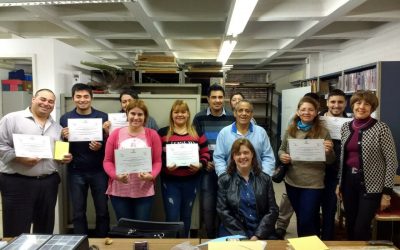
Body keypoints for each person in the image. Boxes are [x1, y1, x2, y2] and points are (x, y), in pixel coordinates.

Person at [0, 89, 72, 237]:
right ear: (33, 99)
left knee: (44, 228)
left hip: (48, 183)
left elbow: (57, 156)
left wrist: (64, 159)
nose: (46, 104)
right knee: (17, 229)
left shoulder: (57, 127)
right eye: (43, 99)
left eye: (51, 101)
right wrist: (18, 157)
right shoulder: (12, 119)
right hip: (17, 182)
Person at [336, 90, 398, 240]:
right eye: (358, 102)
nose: (361, 107)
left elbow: (392, 161)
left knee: (361, 228)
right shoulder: (345, 127)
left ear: (372, 107)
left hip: (372, 187)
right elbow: (343, 157)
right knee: (350, 225)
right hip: (349, 184)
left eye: (367, 104)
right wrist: (340, 183)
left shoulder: (381, 128)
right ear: (352, 105)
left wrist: (387, 194)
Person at [279, 96, 335, 237]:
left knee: (306, 219)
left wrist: (328, 152)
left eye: (310, 109)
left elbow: (330, 161)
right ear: (298, 112)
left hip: (313, 184)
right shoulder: (290, 130)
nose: (306, 112)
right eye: (303, 109)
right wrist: (282, 156)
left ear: (316, 112)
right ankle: (307, 244)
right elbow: (281, 149)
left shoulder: (323, 132)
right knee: (303, 218)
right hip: (292, 181)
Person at [60, 83, 110, 237]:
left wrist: (100, 146)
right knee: (78, 212)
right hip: (76, 171)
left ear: (91, 98)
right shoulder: (65, 118)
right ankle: (80, 242)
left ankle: (103, 242)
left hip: (99, 171)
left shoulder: (103, 117)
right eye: (78, 96)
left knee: (102, 211)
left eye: (86, 96)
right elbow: (61, 146)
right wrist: (64, 139)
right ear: (74, 98)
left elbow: (111, 145)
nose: (82, 100)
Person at [158, 100, 210, 237]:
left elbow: (206, 153)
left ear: (188, 114)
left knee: (186, 215)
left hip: (191, 181)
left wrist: (200, 165)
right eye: (176, 112)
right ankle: (171, 244)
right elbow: (156, 157)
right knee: (172, 216)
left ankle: (183, 243)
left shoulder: (197, 132)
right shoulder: (163, 133)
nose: (180, 114)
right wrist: (165, 165)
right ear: (172, 114)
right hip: (170, 182)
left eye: (183, 112)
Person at [103, 99, 162, 221]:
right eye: (132, 113)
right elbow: (107, 161)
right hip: (119, 190)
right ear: (127, 114)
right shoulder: (115, 134)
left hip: (144, 189)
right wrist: (116, 176)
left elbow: (157, 161)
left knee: (141, 227)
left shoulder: (152, 135)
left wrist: (151, 176)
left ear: (145, 117)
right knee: (125, 229)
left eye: (140, 114)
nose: (136, 117)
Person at [192, 84, 235, 238]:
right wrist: (204, 161)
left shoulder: (232, 117)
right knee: (208, 206)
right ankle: (211, 236)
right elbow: (193, 142)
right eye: (214, 97)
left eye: (220, 97)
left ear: (224, 99)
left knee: (227, 205)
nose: (217, 100)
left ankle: (224, 237)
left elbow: (236, 142)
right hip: (208, 169)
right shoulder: (199, 117)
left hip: (228, 170)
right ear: (208, 99)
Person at [217, 138, 278, 239]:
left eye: (246, 153)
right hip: (234, 231)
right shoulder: (224, 180)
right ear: (233, 157)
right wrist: (243, 236)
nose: (242, 157)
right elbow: (223, 211)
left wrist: (258, 235)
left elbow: (273, 210)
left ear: (252, 154)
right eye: (238, 153)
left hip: (261, 230)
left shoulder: (265, 179)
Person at [214, 100, 275, 177]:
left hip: (257, 178)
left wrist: (264, 176)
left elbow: (268, 157)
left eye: (247, 111)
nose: (244, 113)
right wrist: (224, 176)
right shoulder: (224, 133)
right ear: (235, 113)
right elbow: (218, 158)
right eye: (240, 110)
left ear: (252, 114)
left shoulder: (261, 132)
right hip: (231, 180)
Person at [319, 89, 348, 240]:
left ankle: (327, 242)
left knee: (330, 210)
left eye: (340, 102)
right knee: (310, 210)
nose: (336, 105)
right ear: (327, 103)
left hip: (336, 174)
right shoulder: (317, 120)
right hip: (315, 173)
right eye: (333, 102)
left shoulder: (351, 123)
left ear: (345, 104)